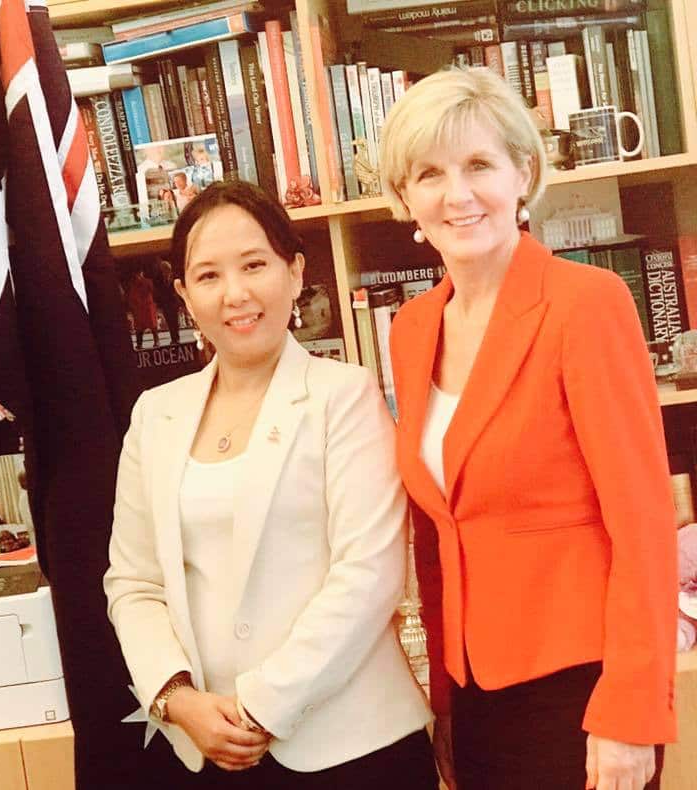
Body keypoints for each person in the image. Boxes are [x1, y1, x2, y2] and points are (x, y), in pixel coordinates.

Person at [379, 66, 677, 790]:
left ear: (524, 172)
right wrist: (442, 705)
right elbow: (434, 535)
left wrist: (631, 712)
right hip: (472, 695)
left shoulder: (587, 304)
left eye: (479, 164)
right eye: (429, 173)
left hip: (582, 693)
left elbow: (643, 525)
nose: (457, 195)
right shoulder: (413, 329)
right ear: (404, 197)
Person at [104, 180, 436, 788]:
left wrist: (258, 706)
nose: (236, 294)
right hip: (207, 746)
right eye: (207, 276)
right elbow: (133, 582)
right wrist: (177, 698)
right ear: (182, 294)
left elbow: (369, 575)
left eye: (255, 265)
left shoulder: (346, 395)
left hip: (352, 750)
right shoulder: (156, 414)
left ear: (295, 270)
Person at [127, 268, 159, 348]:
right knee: (139, 328)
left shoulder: (147, 282)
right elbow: (131, 296)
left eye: (139, 274)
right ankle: (139, 344)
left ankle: (156, 341)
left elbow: (153, 291)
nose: (138, 276)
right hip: (140, 309)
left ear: (142, 273)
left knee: (153, 326)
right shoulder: (133, 284)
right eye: (137, 275)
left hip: (147, 307)